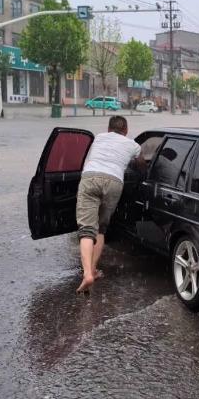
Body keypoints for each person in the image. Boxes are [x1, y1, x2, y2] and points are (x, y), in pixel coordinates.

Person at [75, 115, 143, 293]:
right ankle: (94, 270)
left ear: (108, 129)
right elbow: (142, 165)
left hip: (91, 177)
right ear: (126, 130)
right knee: (100, 229)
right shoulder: (133, 145)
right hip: (114, 182)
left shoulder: (98, 137)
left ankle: (87, 273)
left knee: (86, 230)